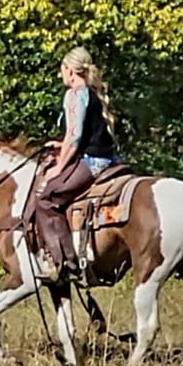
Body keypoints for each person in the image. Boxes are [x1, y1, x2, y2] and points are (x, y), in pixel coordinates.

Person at [35, 46, 119, 281]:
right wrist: (61, 145)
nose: (61, 74)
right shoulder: (92, 93)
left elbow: (74, 137)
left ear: (70, 70)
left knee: (46, 199)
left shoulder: (74, 94)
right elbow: (84, 136)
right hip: (109, 159)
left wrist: (57, 169)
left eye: (62, 69)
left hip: (92, 162)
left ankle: (65, 264)